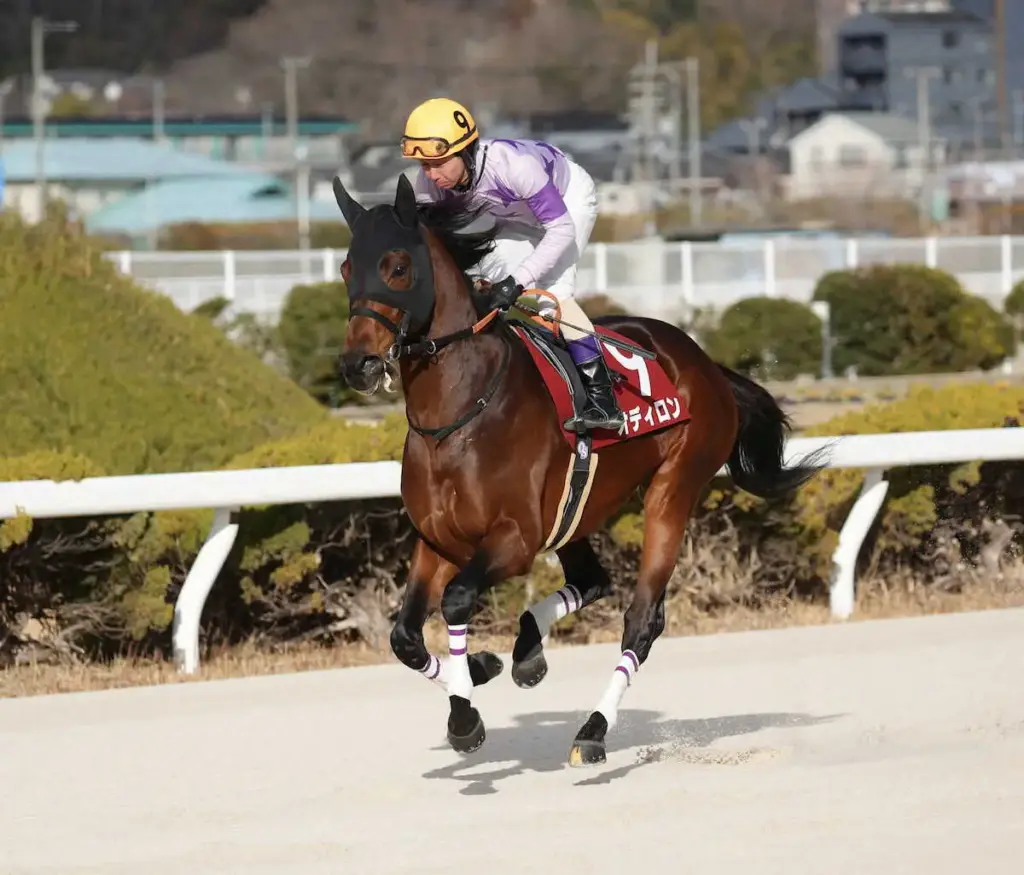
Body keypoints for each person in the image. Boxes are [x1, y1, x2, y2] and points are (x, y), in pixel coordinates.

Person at [400, 96, 625, 433]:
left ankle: (604, 399)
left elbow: (560, 230)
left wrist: (518, 280)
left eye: (439, 163)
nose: (431, 175)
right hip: (516, 217)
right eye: (424, 166)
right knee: (489, 278)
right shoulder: (431, 186)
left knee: (554, 297)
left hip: (567, 205)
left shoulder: (513, 167)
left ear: (465, 151)